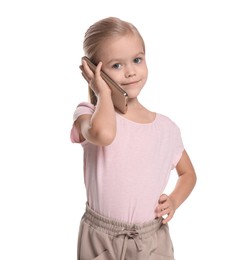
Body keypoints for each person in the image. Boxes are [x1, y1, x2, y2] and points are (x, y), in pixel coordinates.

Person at [70, 16, 197, 260]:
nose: (130, 72)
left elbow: (188, 174)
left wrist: (174, 200)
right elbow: (105, 135)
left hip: (151, 239)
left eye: (137, 60)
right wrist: (102, 93)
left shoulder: (166, 128)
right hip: (101, 238)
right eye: (116, 65)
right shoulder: (88, 114)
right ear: (94, 71)